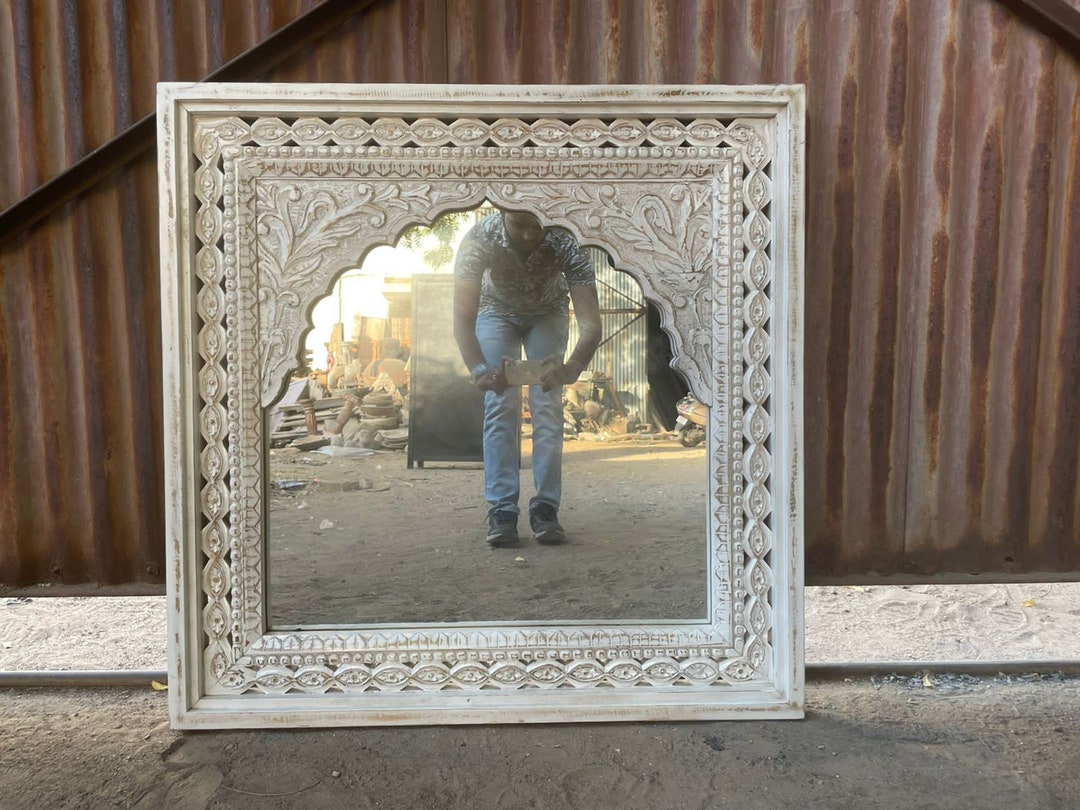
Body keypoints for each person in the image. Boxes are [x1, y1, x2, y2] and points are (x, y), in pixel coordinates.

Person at [454, 209, 602, 547]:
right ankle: (502, 509)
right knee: (500, 402)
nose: (528, 235)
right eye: (519, 225)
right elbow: (462, 319)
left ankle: (546, 507)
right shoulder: (480, 240)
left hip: (548, 313)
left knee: (547, 403)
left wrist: (571, 368)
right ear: (503, 214)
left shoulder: (567, 237)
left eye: (537, 226)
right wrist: (479, 372)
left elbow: (591, 325)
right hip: (495, 312)